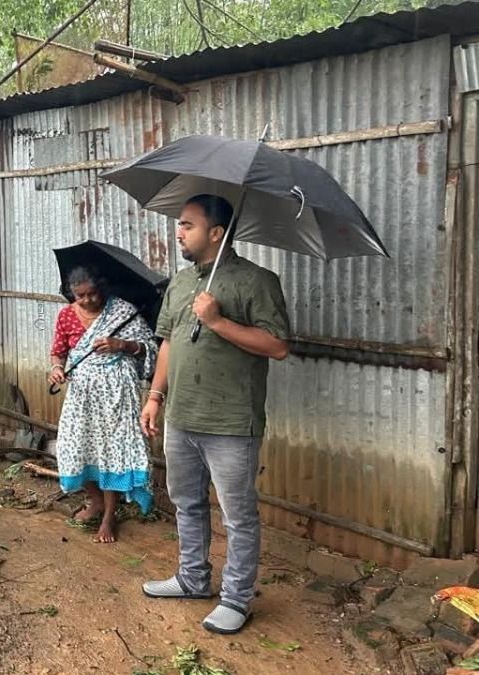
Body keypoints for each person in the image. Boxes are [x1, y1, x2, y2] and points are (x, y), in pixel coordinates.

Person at [139, 194, 291, 635]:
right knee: (186, 503)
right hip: (181, 417)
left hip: (229, 423)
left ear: (217, 233)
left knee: (237, 516)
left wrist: (219, 321)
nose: (179, 231)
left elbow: (278, 347)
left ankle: (237, 599)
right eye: (179, 224)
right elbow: (167, 342)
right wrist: (154, 397)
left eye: (187, 224)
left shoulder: (257, 282)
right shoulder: (183, 283)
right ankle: (192, 578)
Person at [49, 266, 157, 544]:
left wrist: (121, 344)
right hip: (82, 393)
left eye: (92, 293)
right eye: (79, 295)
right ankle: (95, 501)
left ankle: (110, 516)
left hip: (117, 393)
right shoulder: (66, 315)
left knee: (111, 451)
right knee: (73, 447)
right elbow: (58, 352)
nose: (86, 300)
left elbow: (150, 348)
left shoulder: (123, 311)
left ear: (102, 287)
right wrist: (57, 369)